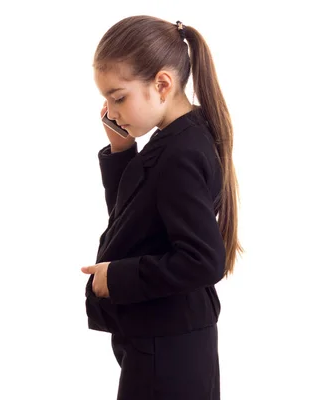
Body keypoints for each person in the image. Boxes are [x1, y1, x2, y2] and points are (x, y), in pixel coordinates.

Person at [80, 15, 243, 400]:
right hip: (164, 339)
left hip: (168, 348)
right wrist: (121, 151)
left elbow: (204, 261)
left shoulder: (180, 153)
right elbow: (135, 221)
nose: (110, 111)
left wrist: (115, 277)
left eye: (118, 97)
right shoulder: (179, 137)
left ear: (162, 84)